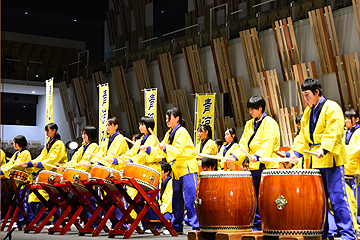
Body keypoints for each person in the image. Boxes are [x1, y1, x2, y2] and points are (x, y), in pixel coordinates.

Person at [289, 78, 355, 240]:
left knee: (337, 198)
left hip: (330, 160)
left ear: (317, 92)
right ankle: (323, 233)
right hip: (314, 162)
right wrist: (295, 153)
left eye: (307, 95)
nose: (305, 99)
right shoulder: (307, 111)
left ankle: (348, 233)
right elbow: (303, 136)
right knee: (319, 201)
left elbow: (335, 130)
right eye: (303, 95)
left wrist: (324, 148)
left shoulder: (332, 107)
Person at [228, 95, 280, 231]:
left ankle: (270, 224)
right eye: (249, 109)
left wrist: (257, 155)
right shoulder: (249, 124)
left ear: (260, 108)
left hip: (267, 166)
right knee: (255, 197)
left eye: (253, 109)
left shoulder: (270, 122)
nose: (250, 112)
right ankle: (257, 224)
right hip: (254, 166)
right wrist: (235, 156)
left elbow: (267, 144)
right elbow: (243, 144)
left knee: (267, 197)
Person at [147, 107, 199, 233]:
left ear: (177, 118)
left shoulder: (182, 131)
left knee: (190, 199)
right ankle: (177, 226)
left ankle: (196, 226)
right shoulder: (169, 133)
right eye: (166, 118)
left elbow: (178, 150)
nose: (167, 120)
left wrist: (165, 147)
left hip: (187, 168)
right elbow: (161, 150)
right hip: (176, 170)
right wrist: (148, 150)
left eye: (168, 118)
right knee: (176, 200)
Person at [21, 123, 67, 224]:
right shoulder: (49, 143)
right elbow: (41, 157)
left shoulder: (59, 143)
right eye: (45, 130)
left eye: (48, 130)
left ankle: (52, 221)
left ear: (54, 130)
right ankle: (41, 220)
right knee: (33, 197)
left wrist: (36, 164)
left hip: (56, 175)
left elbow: (52, 160)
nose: (46, 133)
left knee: (51, 198)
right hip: (48, 175)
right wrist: (31, 163)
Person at [159, 160, 174, 235]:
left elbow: (168, 201)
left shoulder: (170, 182)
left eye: (160, 170)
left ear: (167, 172)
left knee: (167, 216)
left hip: (169, 209)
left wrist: (160, 212)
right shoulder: (159, 181)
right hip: (161, 208)